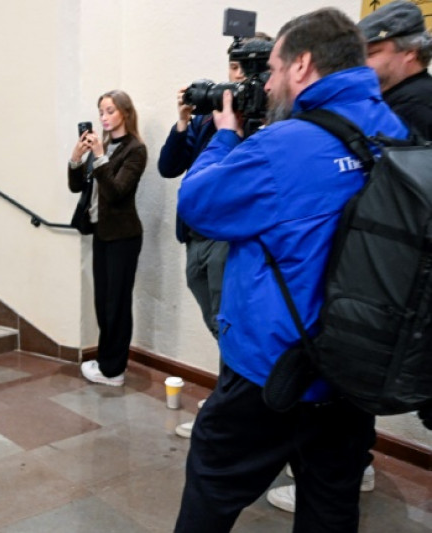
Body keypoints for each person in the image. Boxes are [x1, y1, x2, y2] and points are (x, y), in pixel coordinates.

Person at [173, 8, 408, 532]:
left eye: (275, 68)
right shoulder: (393, 129)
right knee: (330, 506)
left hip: (272, 369)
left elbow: (197, 204)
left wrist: (226, 136)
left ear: (302, 65)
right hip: (353, 369)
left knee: (211, 493)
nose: (271, 82)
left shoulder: (283, 146)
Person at [265, 1, 432, 513]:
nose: (364, 61)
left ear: (408, 52)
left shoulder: (413, 109)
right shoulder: (396, 105)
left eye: (374, 51)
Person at [158, 34, 272, 438]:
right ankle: (233, 397)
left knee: (231, 322)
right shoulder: (211, 118)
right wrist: (184, 121)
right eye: (232, 67)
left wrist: (238, 133)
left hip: (228, 237)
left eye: (242, 69)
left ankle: (230, 410)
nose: (234, 79)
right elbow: (169, 168)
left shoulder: (268, 120)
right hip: (196, 236)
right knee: (217, 321)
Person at [69, 90, 147, 387]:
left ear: (125, 113)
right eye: (101, 111)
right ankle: (106, 362)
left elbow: (116, 191)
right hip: (102, 233)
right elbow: (79, 187)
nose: (103, 117)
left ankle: (114, 370)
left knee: (117, 303)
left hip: (124, 237)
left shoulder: (134, 149)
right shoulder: (104, 146)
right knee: (103, 301)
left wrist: (100, 156)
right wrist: (77, 159)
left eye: (110, 110)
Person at [360, 0, 432, 139]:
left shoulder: (414, 106)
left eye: (370, 54)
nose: (361, 62)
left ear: (410, 52)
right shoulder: (403, 98)